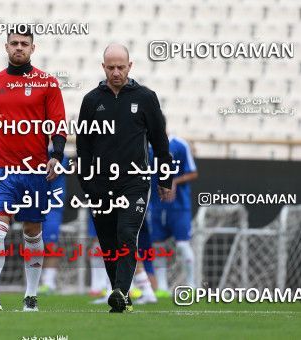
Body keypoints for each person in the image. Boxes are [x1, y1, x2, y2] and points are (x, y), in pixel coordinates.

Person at [0, 28, 67, 312]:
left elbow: (58, 125)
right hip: (1, 169)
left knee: (32, 231)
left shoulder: (47, 83)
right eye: (14, 43)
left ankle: (31, 296)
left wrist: (57, 155)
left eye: (24, 44)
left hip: (35, 169)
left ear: (32, 48)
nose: (19, 48)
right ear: (6, 46)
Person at [76, 43, 172, 313]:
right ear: (103, 67)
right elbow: (83, 147)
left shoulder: (146, 97)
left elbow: (160, 142)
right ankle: (122, 296)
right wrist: (86, 183)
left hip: (135, 182)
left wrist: (165, 178)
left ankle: (120, 291)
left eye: (121, 67)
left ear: (130, 66)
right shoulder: (91, 101)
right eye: (111, 67)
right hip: (100, 184)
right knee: (107, 242)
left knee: (127, 234)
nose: (116, 72)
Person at [148, 116, 198, 297]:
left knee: (183, 245)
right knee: (158, 246)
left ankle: (191, 285)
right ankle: (162, 287)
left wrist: (174, 181)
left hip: (179, 206)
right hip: (157, 205)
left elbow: (193, 173)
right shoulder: (147, 148)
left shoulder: (179, 145)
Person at [39, 151, 69, 295]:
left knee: (51, 243)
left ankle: (48, 282)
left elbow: (53, 170)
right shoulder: (35, 150)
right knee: (33, 241)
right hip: (34, 201)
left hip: (53, 205)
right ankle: (36, 280)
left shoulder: (60, 155)